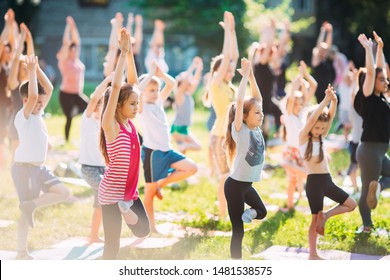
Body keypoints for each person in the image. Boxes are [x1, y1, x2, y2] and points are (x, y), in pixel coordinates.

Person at [11, 55, 71, 260]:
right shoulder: (24, 116)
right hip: (24, 169)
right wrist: (29, 73)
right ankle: (21, 252)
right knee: (25, 214)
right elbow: (35, 96)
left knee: (63, 192)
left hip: (39, 168)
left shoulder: (37, 113)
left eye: (41, 101)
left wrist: (36, 69)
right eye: (35, 101)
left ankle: (32, 205)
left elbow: (49, 90)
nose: (40, 103)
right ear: (25, 101)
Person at [98, 28, 150, 259]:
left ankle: (126, 209)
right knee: (112, 246)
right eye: (132, 104)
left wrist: (130, 54)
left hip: (128, 193)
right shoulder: (111, 125)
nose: (137, 107)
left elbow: (133, 83)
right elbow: (118, 86)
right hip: (110, 194)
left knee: (143, 229)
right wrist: (121, 54)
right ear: (118, 105)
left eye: (137, 103)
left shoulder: (130, 123)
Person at [138, 61, 198, 233]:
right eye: (151, 90)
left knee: (192, 168)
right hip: (153, 154)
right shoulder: (141, 107)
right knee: (149, 194)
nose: (156, 93)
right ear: (143, 93)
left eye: (157, 90)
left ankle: (161, 184)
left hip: (168, 151)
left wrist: (160, 74)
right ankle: (151, 227)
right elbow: (138, 89)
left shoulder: (158, 102)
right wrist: (150, 74)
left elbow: (171, 83)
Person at [298, 84, 356, 260]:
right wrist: (324, 100)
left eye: (322, 129)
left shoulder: (321, 137)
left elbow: (329, 118)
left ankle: (327, 215)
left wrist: (334, 101)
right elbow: (312, 119)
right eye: (317, 128)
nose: (320, 131)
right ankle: (313, 254)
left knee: (351, 204)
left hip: (327, 181)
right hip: (314, 184)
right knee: (314, 220)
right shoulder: (303, 138)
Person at [224, 58, 267, 259]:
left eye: (261, 112)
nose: (261, 115)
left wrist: (251, 76)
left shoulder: (256, 128)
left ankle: (249, 213)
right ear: (244, 116)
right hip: (234, 187)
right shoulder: (240, 131)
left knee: (261, 211)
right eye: (257, 113)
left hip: (246, 185)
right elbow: (241, 101)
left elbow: (257, 97)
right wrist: (243, 80)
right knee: (238, 231)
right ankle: (236, 263)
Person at [355, 32, 390, 233]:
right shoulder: (367, 98)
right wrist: (368, 49)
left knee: (371, 186)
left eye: (386, 79)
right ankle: (367, 225)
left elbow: (379, 70)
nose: (385, 82)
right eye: (382, 80)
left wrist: (380, 49)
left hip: (380, 151)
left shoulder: (384, 99)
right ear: (371, 82)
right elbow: (371, 72)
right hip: (369, 151)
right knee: (365, 188)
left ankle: (378, 187)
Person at [208, 11, 239, 219]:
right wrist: (227, 31)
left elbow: (234, 56)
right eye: (226, 68)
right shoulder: (216, 85)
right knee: (225, 176)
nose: (230, 69)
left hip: (230, 137)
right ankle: (222, 215)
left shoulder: (229, 86)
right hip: (219, 137)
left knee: (233, 176)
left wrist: (233, 30)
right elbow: (228, 56)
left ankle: (230, 212)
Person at [79, 74, 113, 244]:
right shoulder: (86, 119)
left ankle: (93, 236)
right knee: (105, 191)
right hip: (88, 168)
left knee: (99, 203)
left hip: (102, 168)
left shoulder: (104, 125)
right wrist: (107, 81)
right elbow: (93, 99)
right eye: (103, 107)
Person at [282, 60, 317, 210]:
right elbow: (291, 98)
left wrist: (305, 74)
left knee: (300, 179)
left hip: (302, 151)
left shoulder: (303, 114)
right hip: (291, 152)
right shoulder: (290, 116)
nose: (298, 103)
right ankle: (290, 206)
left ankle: (300, 196)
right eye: (295, 101)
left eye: (301, 101)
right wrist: (296, 83)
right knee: (292, 181)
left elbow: (314, 86)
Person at [56, 16, 88, 142]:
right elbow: (66, 43)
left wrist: (74, 28)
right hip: (65, 94)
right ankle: (67, 140)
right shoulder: (64, 61)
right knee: (69, 118)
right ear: (68, 51)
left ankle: (75, 111)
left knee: (89, 107)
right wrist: (68, 27)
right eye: (72, 50)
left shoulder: (76, 60)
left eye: (75, 50)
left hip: (77, 93)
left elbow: (77, 41)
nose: (74, 52)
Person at [7, 23, 34, 156]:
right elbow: (16, 60)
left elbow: (32, 61)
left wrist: (30, 42)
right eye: (22, 67)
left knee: (27, 157)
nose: (25, 68)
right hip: (15, 125)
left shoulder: (29, 84)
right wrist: (22, 38)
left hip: (28, 123)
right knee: (16, 157)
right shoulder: (13, 83)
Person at [171, 56, 203, 154]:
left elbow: (196, 81)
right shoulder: (179, 94)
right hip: (178, 128)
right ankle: (182, 147)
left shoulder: (187, 95)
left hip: (182, 128)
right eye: (189, 80)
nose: (191, 82)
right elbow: (185, 81)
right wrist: (193, 66)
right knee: (197, 146)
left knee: (182, 153)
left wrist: (199, 69)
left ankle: (179, 167)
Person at [311, 21, 336, 103]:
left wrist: (329, 32)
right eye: (322, 50)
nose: (324, 51)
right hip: (319, 93)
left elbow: (328, 46)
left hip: (327, 92)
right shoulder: (317, 62)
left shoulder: (327, 61)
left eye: (325, 50)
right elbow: (319, 46)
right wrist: (323, 31)